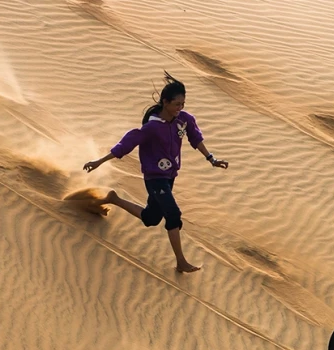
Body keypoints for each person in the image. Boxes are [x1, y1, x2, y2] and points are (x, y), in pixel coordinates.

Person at [83, 73, 229, 273]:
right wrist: (98, 162)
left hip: (170, 177)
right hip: (154, 178)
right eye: (177, 104)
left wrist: (211, 159)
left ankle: (113, 198)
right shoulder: (151, 127)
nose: (181, 108)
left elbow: (195, 138)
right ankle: (181, 262)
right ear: (165, 102)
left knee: (151, 218)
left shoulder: (184, 120)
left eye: (183, 104)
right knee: (173, 215)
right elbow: (125, 145)